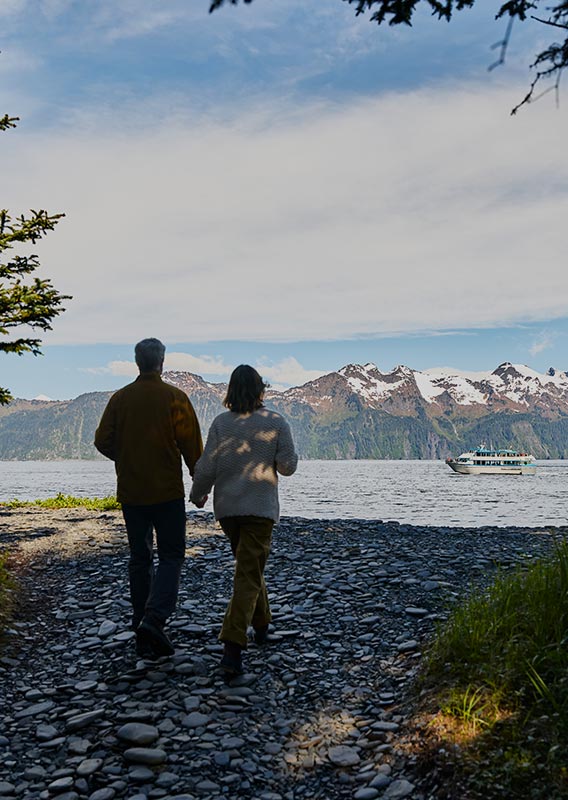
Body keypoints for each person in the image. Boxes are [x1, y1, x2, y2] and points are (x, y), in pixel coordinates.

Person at [94, 337, 203, 659]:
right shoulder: (175, 398)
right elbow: (192, 448)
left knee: (140, 558)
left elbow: (102, 441)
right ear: (162, 362)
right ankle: (154, 619)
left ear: (137, 362)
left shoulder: (120, 399)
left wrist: (125, 457)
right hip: (167, 492)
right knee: (171, 556)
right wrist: (201, 485)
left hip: (131, 491)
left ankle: (141, 625)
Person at [190, 364, 298, 677]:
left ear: (231, 392)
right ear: (260, 389)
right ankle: (232, 647)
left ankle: (262, 626)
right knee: (249, 573)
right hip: (260, 509)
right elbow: (288, 466)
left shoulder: (221, 423)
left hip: (228, 510)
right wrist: (273, 457)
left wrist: (198, 494)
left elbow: (207, 465)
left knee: (249, 568)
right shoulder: (276, 421)